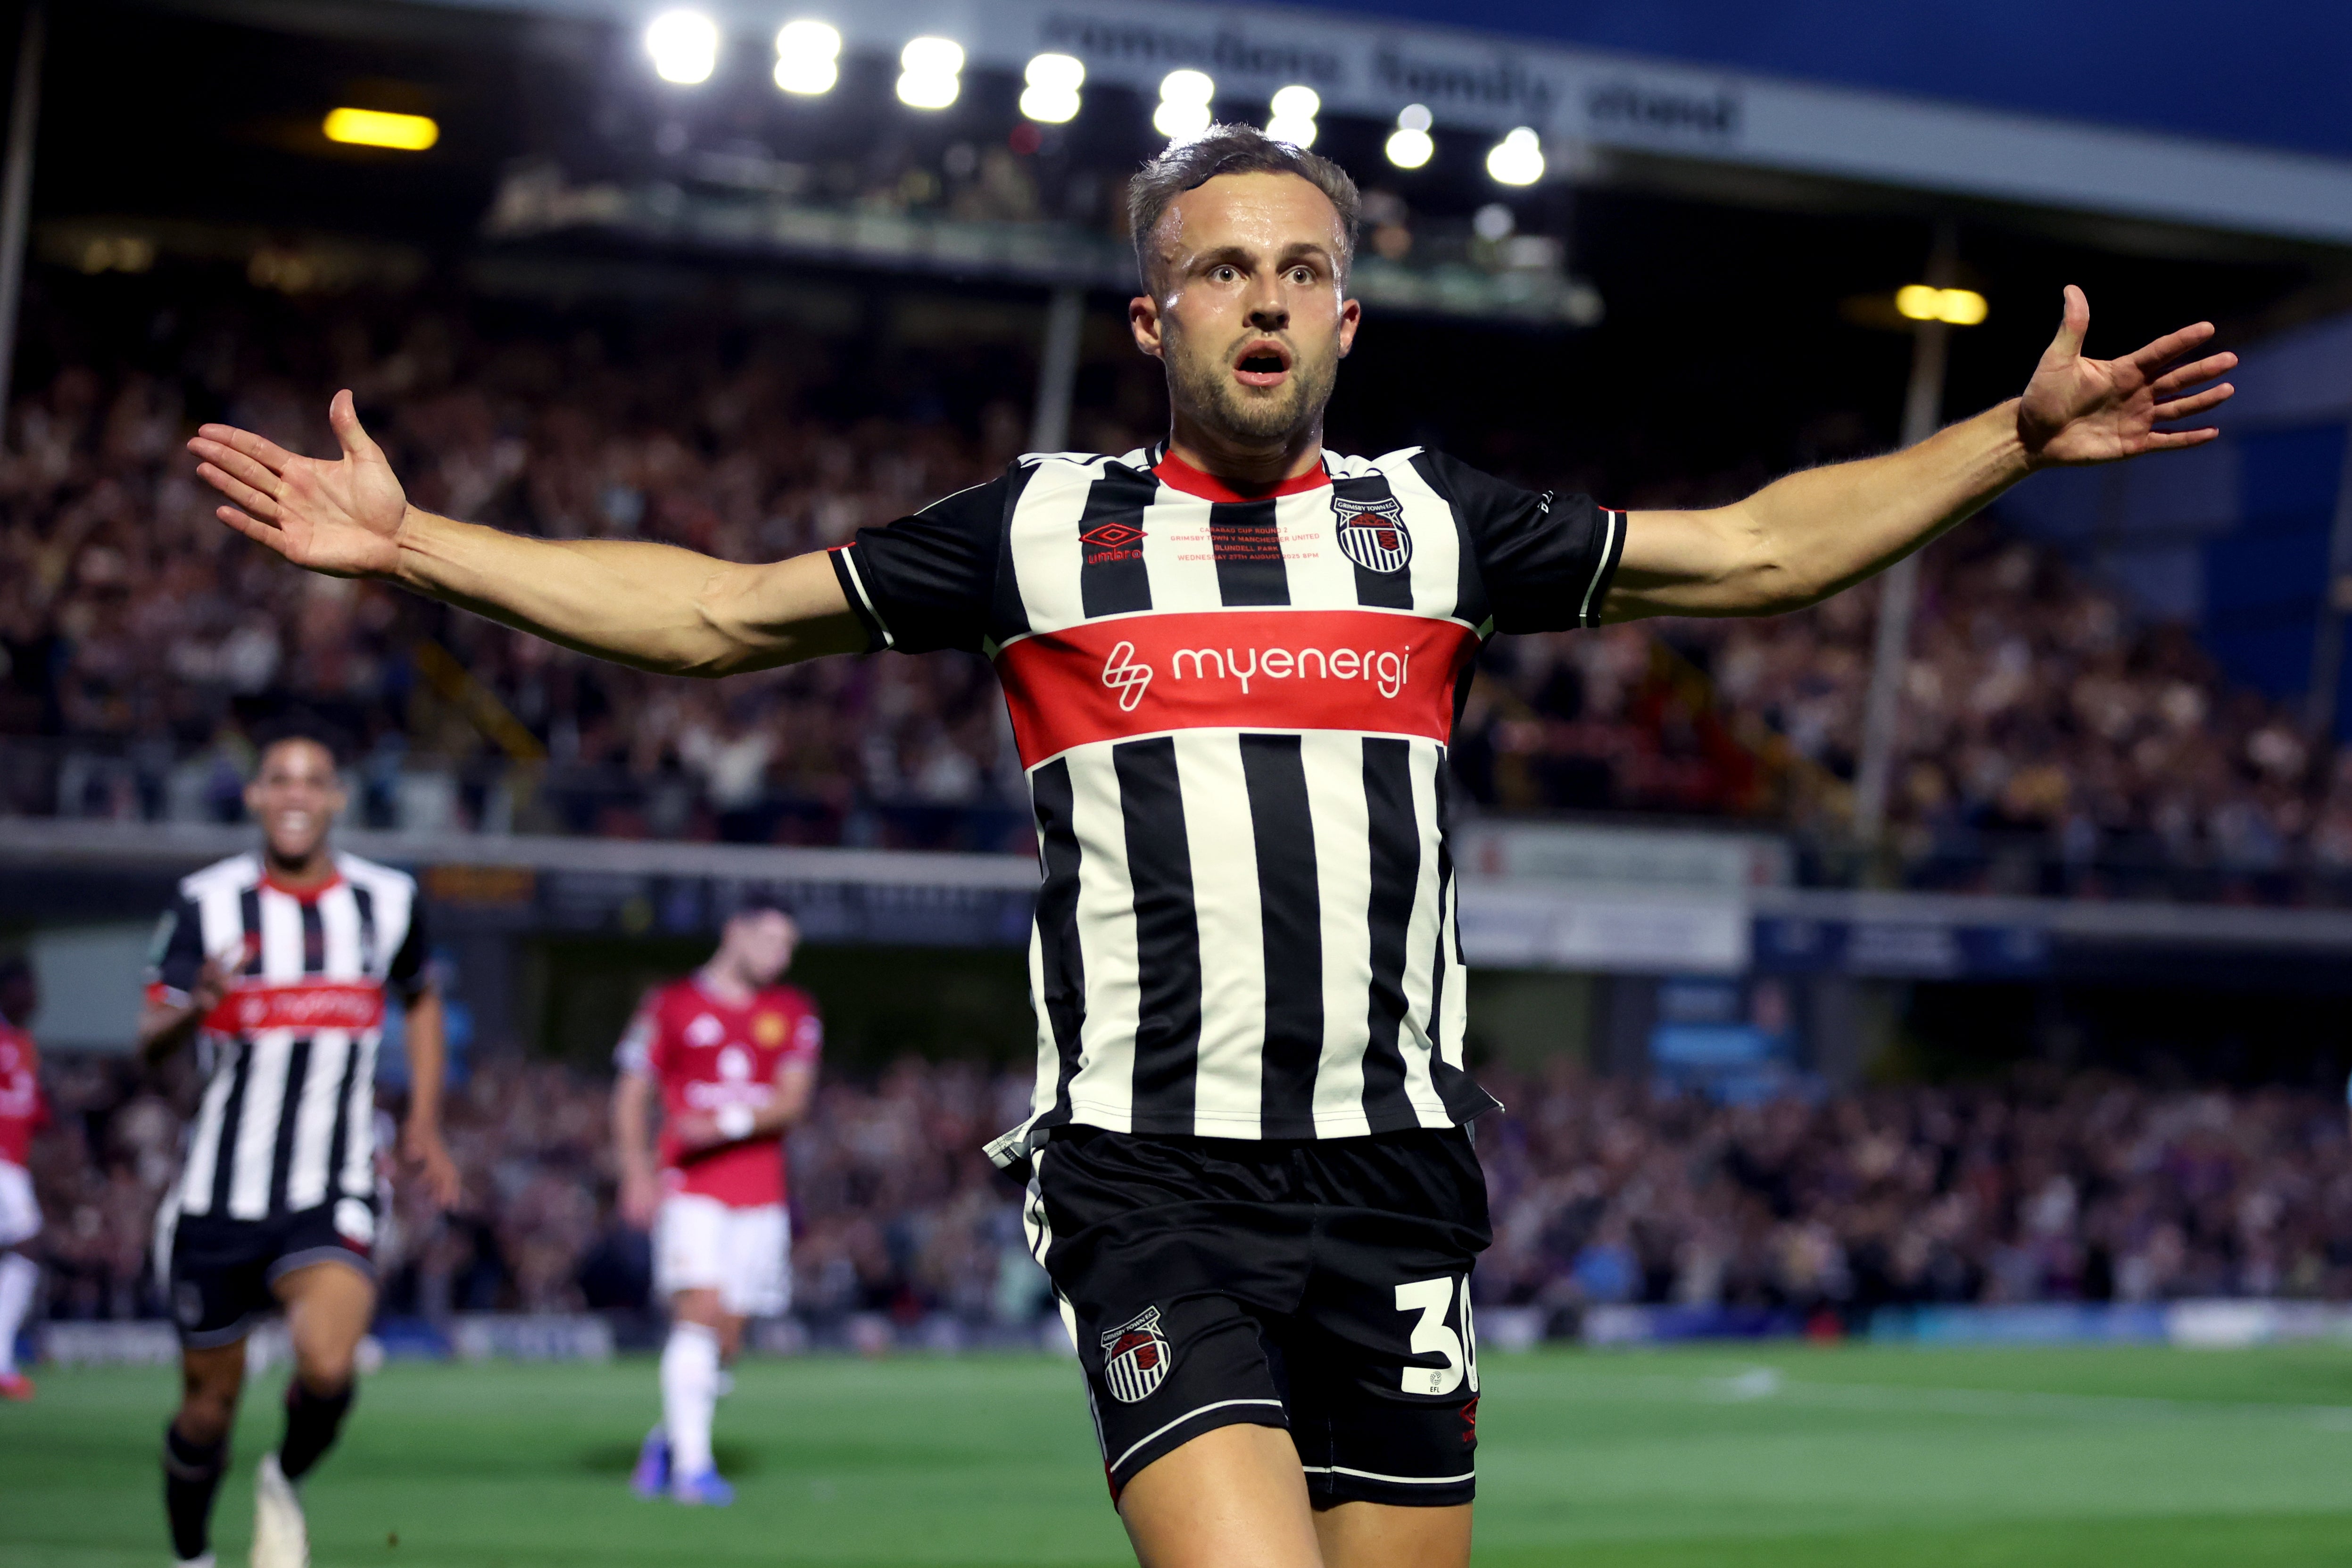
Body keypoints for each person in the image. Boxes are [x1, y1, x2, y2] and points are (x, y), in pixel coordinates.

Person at [185, 123, 2234, 1568]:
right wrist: (420, 543)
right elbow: (719, 612)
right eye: (1223, 269)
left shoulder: (1435, 524)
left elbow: (1763, 549)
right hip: (1155, 1177)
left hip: (1395, 1172)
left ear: (1348, 321)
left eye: (1301, 269)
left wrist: (2009, 438)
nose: (1265, 297)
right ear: (1151, 318)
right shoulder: (1038, 528)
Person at [138, 730, 461, 1568]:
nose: (295, 795)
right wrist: (195, 1004)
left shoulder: (388, 900)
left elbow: (422, 998)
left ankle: (282, 1478)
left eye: (313, 781)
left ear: (337, 799)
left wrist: (425, 1120)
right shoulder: (207, 901)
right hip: (217, 1196)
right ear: (254, 796)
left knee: (327, 1364)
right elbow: (149, 1035)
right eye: (279, 779)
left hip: (333, 1183)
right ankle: (192, 1557)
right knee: (207, 1409)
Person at [610, 895, 820, 1507]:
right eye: (772, 941)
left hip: (761, 1192)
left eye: (789, 947)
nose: (781, 957)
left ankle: (669, 1439)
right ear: (736, 932)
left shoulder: (792, 1010)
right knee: (698, 1310)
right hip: (690, 1185)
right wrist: (634, 1171)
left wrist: (723, 1123)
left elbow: (792, 1101)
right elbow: (631, 1093)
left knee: (727, 1335)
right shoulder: (670, 1004)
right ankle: (694, 1472)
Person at [0, 955, 47, 1401]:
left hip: (15, 1164)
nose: (35, 996)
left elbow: (32, 1111)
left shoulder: (26, 1043)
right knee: (27, 1242)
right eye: (27, 987)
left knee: (23, 1248)